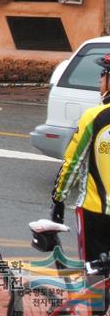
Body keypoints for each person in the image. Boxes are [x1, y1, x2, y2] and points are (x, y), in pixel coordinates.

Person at [51, 53, 110, 313]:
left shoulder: (94, 117)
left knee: (96, 278)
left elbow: (72, 164)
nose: (99, 79)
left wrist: (58, 198)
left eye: (103, 74)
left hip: (94, 213)